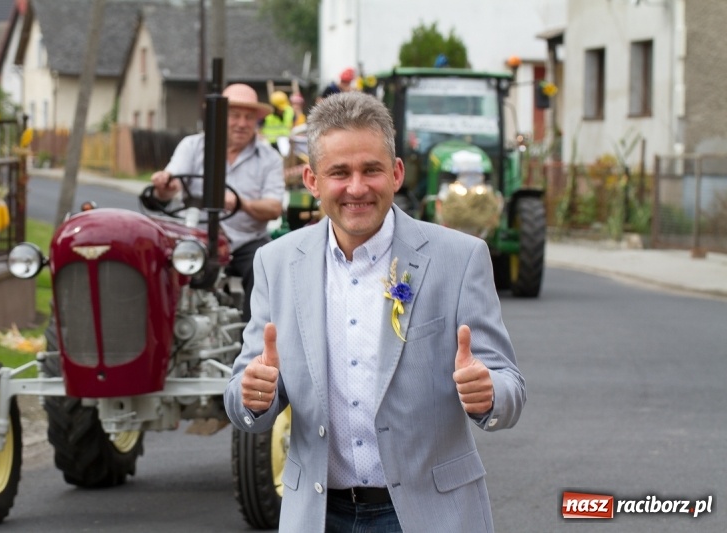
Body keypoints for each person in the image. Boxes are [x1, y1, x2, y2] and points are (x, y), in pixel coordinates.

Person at [224, 92, 525, 532]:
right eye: (339, 173)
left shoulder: (460, 258)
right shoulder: (276, 263)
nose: (357, 188)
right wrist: (253, 396)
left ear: (397, 172)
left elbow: (508, 386)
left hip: (427, 515)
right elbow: (243, 396)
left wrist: (490, 394)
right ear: (311, 180)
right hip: (318, 516)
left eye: (372, 170)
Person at [150, 83, 284, 321]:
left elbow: (274, 208)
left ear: (256, 121)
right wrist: (165, 186)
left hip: (245, 242)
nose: (242, 123)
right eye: (234, 115)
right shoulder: (193, 146)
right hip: (194, 238)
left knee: (266, 266)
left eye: (249, 117)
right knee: (154, 265)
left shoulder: (270, 158)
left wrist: (241, 204)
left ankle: (254, 348)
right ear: (219, 117)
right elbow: (171, 184)